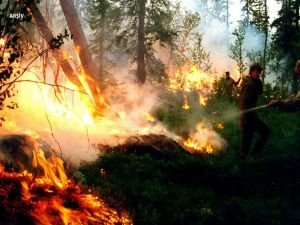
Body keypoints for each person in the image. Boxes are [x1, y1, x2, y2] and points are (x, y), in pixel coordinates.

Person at [239, 63, 270, 159]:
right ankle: (244, 159)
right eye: (257, 72)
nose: (258, 74)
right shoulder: (249, 85)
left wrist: (258, 81)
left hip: (252, 115)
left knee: (264, 132)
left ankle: (253, 153)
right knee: (248, 139)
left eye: (259, 73)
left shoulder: (255, 82)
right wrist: (242, 119)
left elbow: (260, 91)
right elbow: (242, 102)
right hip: (247, 116)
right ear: (251, 72)